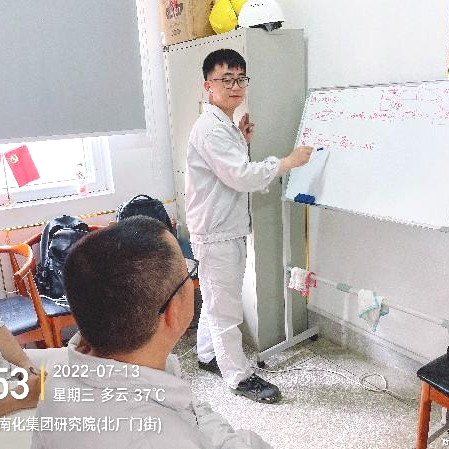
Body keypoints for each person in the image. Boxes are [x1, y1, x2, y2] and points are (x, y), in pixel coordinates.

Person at [31, 217, 273, 449]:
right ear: (172, 312)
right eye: (187, 272)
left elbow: (194, 414)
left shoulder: (59, 376)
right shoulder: (158, 439)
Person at [185, 48, 313, 403]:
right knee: (225, 308)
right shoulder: (211, 129)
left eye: (240, 79)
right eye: (225, 79)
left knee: (216, 299)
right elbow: (240, 176)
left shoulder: (223, 124)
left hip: (224, 227)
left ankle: (208, 355)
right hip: (217, 232)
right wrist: (287, 162)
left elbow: (226, 171)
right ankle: (238, 377)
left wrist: (240, 141)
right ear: (208, 86)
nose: (235, 86)